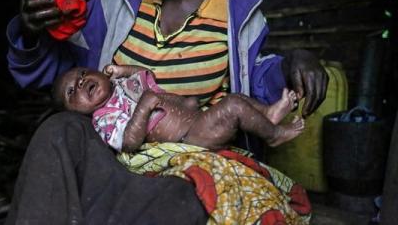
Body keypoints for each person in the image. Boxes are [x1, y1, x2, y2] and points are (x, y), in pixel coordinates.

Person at [5, 0, 328, 223]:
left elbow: (256, 84)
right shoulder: (115, 0)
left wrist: (294, 61)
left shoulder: (236, 16)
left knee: (189, 196)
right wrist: (31, 33)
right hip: (111, 152)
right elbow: (64, 77)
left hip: (184, 159)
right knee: (58, 130)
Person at [53, 64, 305, 152]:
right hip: (190, 138)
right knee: (233, 106)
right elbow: (128, 142)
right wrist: (143, 107)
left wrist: (121, 70)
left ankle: (267, 114)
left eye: (83, 74)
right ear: (75, 113)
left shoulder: (119, 86)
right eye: (72, 91)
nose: (81, 81)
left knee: (238, 98)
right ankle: (274, 136)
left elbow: (145, 75)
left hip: (197, 119)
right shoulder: (104, 119)